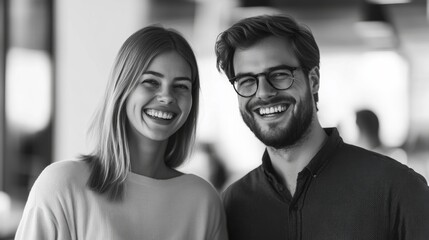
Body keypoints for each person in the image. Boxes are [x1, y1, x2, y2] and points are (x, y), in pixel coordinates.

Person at [215, 14, 429, 240]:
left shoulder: (396, 188)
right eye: (247, 81)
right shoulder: (232, 204)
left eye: (279, 75)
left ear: (314, 80)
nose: (264, 93)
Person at [15, 26, 227, 240]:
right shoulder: (62, 185)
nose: (167, 97)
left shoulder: (204, 201)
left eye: (181, 86)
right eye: (151, 82)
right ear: (122, 89)